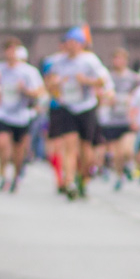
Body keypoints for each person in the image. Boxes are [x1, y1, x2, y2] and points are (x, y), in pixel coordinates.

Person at [45, 27, 111, 200]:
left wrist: (86, 81)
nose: (71, 46)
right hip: (67, 107)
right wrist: (56, 85)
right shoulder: (58, 62)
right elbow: (50, 87)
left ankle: (84, 180)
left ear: (81, 44)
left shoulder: (90, 60)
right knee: (69, 145)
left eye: (74, 42)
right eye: (68, 42)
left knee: (85, 148)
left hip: (86, 108)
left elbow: (103, 81)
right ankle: (69, 181)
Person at [0, 40, 43, 191]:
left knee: (18, 150)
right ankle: (3, 173)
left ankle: (16, 176)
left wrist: (25, 90)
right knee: (2, 143)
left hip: (22, 115)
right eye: (7, 50)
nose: (10, 53)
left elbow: (39, 92)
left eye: (13, 50)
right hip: (2, 113)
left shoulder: (28, 71)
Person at [98, 48, 140, 188]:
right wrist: (107, 99)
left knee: (127, 150)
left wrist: (131, 101)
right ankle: (119, 175)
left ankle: (129, 165)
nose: (118, 62)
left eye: (121, 59)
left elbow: (139, 96)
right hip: (112, 119)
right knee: (116, 154)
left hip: (127, 118)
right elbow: (101, 94)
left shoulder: (133, 78)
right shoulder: (108, 77)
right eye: (116, 59)